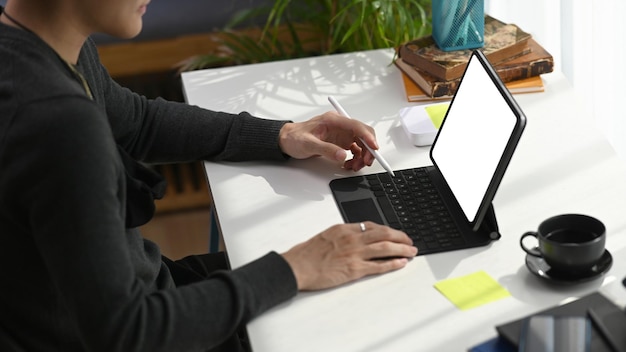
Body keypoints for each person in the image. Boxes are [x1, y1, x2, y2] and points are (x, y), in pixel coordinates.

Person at [0, 0, 417, 351]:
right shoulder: (60, 125)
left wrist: (283, 135)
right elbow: (128, 334)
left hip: (138, 298)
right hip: (146, 327)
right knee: (377, 305)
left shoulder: (32, 47)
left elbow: (137, 122)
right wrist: (296, 268)